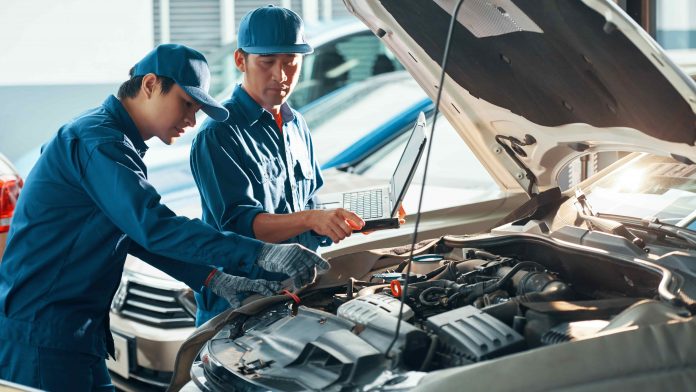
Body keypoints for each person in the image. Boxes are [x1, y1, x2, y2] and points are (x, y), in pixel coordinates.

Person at [0, 44, 328, 391]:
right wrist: (261, 253)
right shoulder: (98, 142)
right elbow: (153, 226)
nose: (191, 120)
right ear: (151, 85)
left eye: (198, 109)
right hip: (40, 336)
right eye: (187, 104)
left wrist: (212, 277)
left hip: (74, 332)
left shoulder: (112, 139)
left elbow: (132, 234)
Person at [189, 6, 366, 325]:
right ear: (240, 60)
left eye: (290, 62)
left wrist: (337, 221)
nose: (280, 76)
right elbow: (241, 223)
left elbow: (308, 201)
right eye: (267, 62)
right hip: (239, 306)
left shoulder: (297, 124)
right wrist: (313, 218)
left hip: (292, 297)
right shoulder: (219, 134)